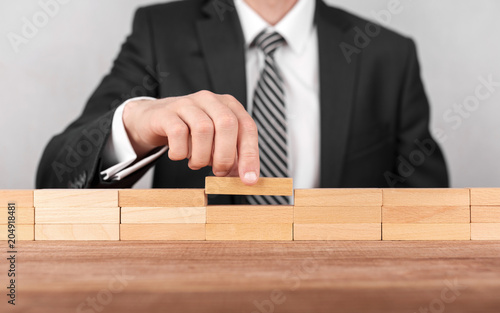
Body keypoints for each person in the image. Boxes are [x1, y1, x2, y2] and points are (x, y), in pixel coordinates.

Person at [36, 0, 449, 204]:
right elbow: (55, 177)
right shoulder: (161, 32)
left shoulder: (387, 54)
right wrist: (133, 124)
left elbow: (431, 209)